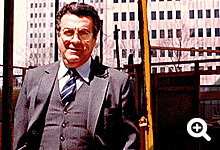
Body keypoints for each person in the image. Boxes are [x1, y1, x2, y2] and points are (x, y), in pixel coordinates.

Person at [13, 2, 140, 150]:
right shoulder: (33, 79)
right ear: (58, 35)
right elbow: (20, 142)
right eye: (68, 32)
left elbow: (130, 143)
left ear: (94, 38)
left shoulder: (118, 83)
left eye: (83, 33)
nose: (75, 40)